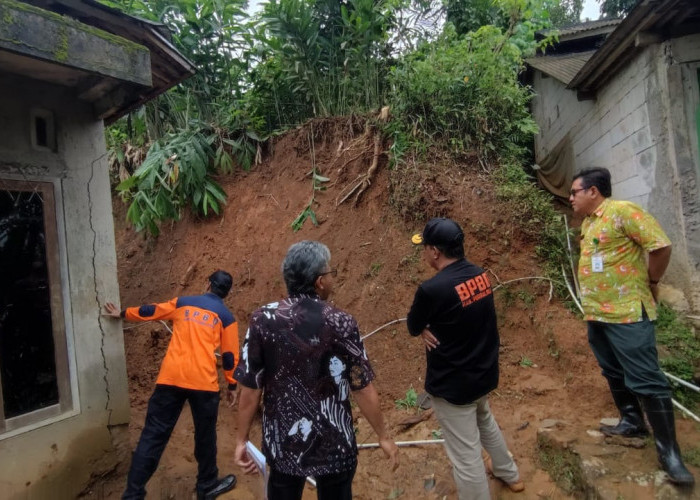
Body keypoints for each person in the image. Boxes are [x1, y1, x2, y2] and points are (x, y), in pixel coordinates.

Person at [233, 240, 399, 500]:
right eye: (331, 273)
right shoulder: (341, 322)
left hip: (283, 444)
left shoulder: (262, 320)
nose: (333, 279)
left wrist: (242, 440)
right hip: (335, 445)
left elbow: (251, 389)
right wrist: (383, 436)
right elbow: (362, 387)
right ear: (320, 281)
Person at [569, 167, 694, 485]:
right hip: (597, 313)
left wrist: (652, 280)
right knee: (612, 370)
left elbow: (661, 245)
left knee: (648, 380)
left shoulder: (624, 211)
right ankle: (631, 420)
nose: (570, 198)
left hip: (627, 314)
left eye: (574, 192)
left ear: (593, 192)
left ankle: (670, 454)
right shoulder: (588, 223)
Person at [407, 217, 523, 500]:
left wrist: (422, 326)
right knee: (485, 421)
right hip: (482, 374)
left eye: (425, 247)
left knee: (466, 456)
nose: (424, 253)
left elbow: (412, 325)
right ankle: (509, 474)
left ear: (435, 251)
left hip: (453, 385)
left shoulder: (432, 290)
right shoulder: (480, 275)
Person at [103, 270, 240, 499]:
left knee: (153, 435)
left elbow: (152, 311)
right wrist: (232, 385)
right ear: (227, 293)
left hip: (171, 379)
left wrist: (123, 313)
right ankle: (206, 485)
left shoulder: (183, 303)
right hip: (203, 384)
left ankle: (133, 494)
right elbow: (229, 357)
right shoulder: (226, 317)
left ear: (208, 284)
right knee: (205, 436)